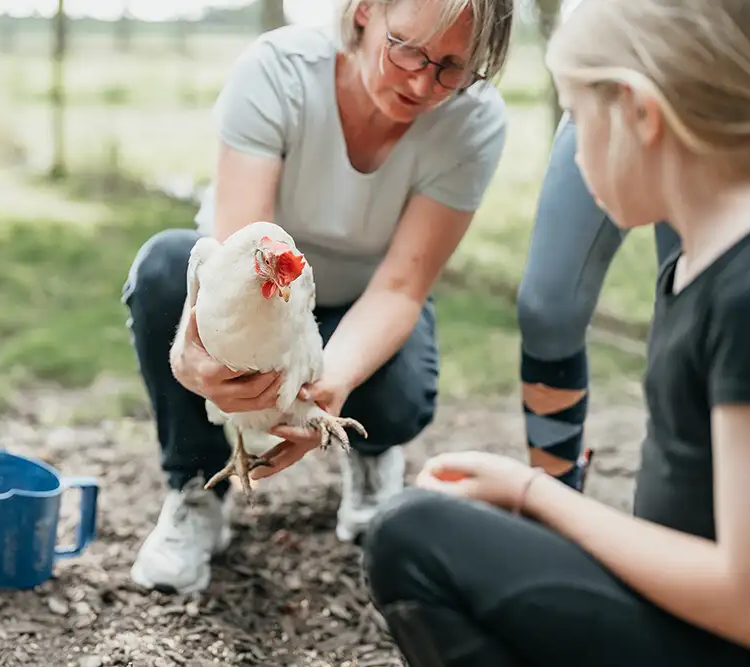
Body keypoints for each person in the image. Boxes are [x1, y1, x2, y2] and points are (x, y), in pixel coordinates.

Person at [362, 0, 750, 665]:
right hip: (683, 617)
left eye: (575, 115)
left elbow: (746, 599)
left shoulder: (745, 291)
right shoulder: (700, 263)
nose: (571, 146)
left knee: (412, 537)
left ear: (640, 113)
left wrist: (534, 493)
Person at [120, 0, 514, 594]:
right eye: (406, 46)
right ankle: (198, 485)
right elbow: (238, 260)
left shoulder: (474, 121)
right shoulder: (277, 73)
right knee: (163, 272)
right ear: (363, 12)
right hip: (261, 297)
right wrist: (199, 354)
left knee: (401, 388)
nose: (421, 81)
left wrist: (327, 388)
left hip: (364, 298)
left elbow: (402, 286)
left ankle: (373, 451)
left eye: (452, 67)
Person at [516, 113, 680, 491]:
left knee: (687, 321)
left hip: (716, 103)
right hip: (611, 89)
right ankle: (555, 493)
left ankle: (689, 507)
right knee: (546, 308)